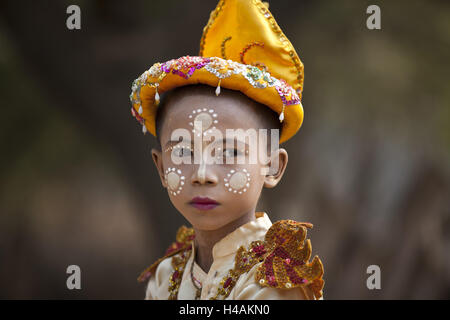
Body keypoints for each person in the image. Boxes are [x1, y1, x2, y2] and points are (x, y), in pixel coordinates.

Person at [129, 0, 324, 300]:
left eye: (229, 153)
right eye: (183, 153)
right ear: (161, 168)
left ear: (272, 166)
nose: (202, 175)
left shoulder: (273, 282)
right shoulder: (168, 275)